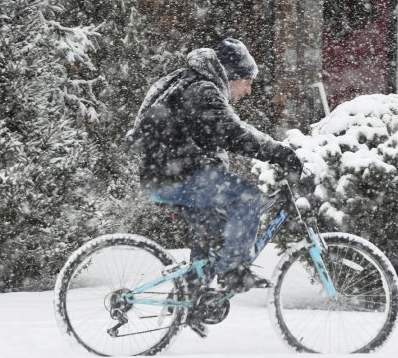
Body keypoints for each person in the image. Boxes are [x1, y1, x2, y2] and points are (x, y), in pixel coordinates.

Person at [127, 38, 302, 294]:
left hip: (167, 175)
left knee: (212, 233)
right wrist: (280, 153)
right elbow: (234, 134)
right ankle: (234, 272)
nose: (248, 91)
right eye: (248, 82)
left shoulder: (192, 84)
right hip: (176, 176)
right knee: (248, 197)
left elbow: (218, 136)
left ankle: (193, 299)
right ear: (232, 76)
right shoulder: (203, 90)